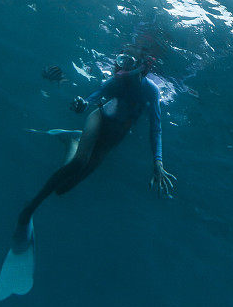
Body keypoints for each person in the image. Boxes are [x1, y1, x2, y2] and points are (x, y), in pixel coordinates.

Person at [13, 53, 176, 250]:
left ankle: (73, 142)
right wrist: (83, 104)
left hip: (115, 135)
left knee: (63, 189)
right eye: (120, 67)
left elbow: (155, 127)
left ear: (141, 69)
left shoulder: (151, 90)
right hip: (99, 119)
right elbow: (94, 97)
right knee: (79, 162)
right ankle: (30, 209)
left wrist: (157, 162)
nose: (120, 72)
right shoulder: (116, 80)